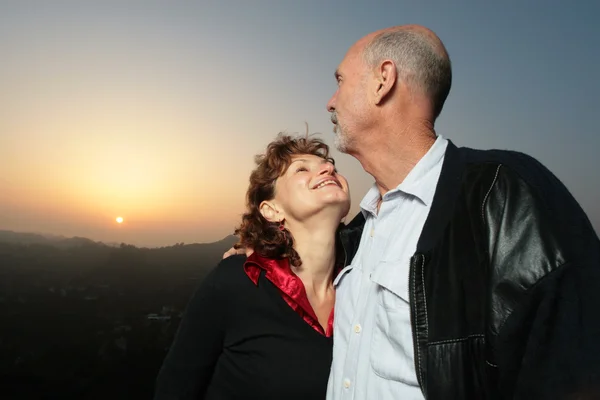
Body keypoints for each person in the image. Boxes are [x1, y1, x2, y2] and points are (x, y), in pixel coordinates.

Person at [226, 25, 600, 399]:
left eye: (340, 80)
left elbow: (567, 371)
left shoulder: (503, 194)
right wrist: (267, 253)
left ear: (383, 80)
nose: (331, 102)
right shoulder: (356, 233)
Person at [154, 134, 351, 399]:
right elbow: (174, 390)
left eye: (330, 166)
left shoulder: (362, 288)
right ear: (271, 210)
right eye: (302, 169)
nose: (328, 168)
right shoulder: (235, 281)